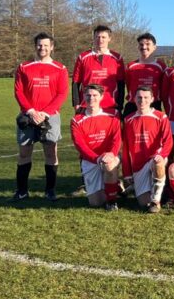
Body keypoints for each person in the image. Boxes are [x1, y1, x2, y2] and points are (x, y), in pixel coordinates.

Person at [13, 32, 69, 201]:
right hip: (28, 115)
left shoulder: (60, 68)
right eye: (39, 45)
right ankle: (22, 191)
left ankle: (50, 191)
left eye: (46, 45)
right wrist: (31, 111)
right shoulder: (24, 67)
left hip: (50, 116)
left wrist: (44, 113)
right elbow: (18, 91)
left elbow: (62, 93)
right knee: (24, 153)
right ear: (35, 46)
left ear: (52, 47)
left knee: (51, 153)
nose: (42, 48)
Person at [121, 87, 173, 213]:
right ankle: (136, 187)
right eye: (139, 97)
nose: (142, 101)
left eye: (146, 98)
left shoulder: (161, 117)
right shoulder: (128, 120)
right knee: (143, 203)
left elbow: (168, 141)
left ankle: (156, 201)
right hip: (138, 166)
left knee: (158, 163)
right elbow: (125, 148)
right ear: (134, 99)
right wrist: (127, 173)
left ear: (152, 99)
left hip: (154, 159)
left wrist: (162, 155)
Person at [70, 84, 122, 210]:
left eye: (95, 95)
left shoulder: (113, 115)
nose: (91, 98)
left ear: (101, 97)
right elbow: (80, 145)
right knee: (96, 202)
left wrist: (112, 153)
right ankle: (115, 187)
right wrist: (96, 159)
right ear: (83, 96)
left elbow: (117, 139)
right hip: (91, 160)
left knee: (109, 164)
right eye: (88, 95)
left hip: (109, 156)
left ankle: (112, 201)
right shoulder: (76, 120)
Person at [72, 24, 125, 114]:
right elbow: (76, 82)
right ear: (94, 38)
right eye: (97, 37)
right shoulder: (82, 57)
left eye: (103, 37)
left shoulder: (117, 58)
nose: (100, 40)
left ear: (109, 38)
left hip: (110, 106)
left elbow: (121, 83)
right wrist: (76, 103)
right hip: (87, 105)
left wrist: (119, 105)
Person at [123, 32, 166, 116]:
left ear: (154, 47)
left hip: (153, 105)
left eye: (147, 44)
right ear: (138, 47)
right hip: (133, 105)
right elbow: (128, 85)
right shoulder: (130, 66)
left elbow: (163, 87)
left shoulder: (161, 66)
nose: (144, 47)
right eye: (141, 44)